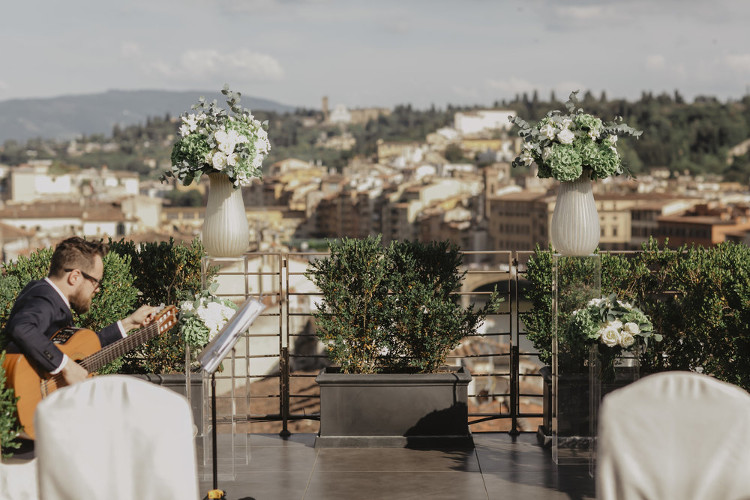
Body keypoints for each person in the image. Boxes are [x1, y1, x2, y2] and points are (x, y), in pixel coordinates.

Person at [3, 237, 159, 386]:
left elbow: (82, 348)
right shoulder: (45, 297)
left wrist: (129, 323)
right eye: (96, 282)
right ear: (75, 276)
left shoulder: (50, 296)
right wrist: (66, 366)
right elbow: (22, 327)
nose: (97, 290)